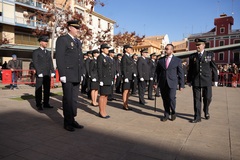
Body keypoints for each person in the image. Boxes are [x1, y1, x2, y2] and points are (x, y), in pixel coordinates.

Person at [56, 20, 84, 131]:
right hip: (67, 74)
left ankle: (72, 119)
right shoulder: (63, 40)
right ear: (70, 28)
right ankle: (67, 122)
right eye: (76, 28)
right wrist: (62, 74)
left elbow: (79, 59)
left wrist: (81, 73)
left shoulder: (78, 42)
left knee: (74, 99)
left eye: (78, 28)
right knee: (67, 99)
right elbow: (60, 57)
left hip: (76, 74)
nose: (78, 30)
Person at [187, 38, 218, 123]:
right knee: (197, 99)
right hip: (196, 80)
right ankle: (197, 117)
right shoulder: (192, 56)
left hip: (207, 80)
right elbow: (190, 69)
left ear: (203, 45)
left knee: (208, 98)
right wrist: (189, 80)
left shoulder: (209, 54)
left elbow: (214, 68)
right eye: (196, 45)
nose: (197, 46)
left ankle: (206, 109)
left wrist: (215, 79)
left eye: (199, 45)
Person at [155, 44, 184, 122]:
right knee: (165, 99)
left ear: (171, 50)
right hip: (163, 82)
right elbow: (157, 72)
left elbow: (180, 73)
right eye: (165, 49)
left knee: (171, 98)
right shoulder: (161, 60)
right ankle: (166, 114)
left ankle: (173, 112)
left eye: (167, 49)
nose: (165, 50)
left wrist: (181, 84)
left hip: (173, 82)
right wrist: (155, 82)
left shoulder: (177, 60)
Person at [32, 36, 55, 110]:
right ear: (40, 42)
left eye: (47, 42)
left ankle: (46, 103)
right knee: (39, 89)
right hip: (40, 73)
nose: (46, 43)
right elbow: (35, 62)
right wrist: (38, 72)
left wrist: (53, 71)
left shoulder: (47, 52)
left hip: (47, 73)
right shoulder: (36, 52)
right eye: (45, 42)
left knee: (47, 89)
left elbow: (50, 62)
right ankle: (38, 104)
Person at [97, 43, 113, 118]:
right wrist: (100, 80)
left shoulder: (108, 57)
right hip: (103, 79)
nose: (107, 50)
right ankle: (101, 111)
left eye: (108, 48)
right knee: (102, 95)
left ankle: (104, 110)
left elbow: (110, 69)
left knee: (106, 96)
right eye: (106, 48)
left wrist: (111, 78)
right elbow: (99, 69)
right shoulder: (100, 57)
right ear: (102, 49)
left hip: (108, 79)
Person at [121, 45, 134, 110]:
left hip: (130, 76)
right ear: (125, 49)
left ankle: (127, 103)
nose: (130, 50)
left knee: (128, 90)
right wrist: (125, 76)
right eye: (129, 48)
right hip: (127, 76)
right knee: (125, 90)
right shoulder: (124, 57)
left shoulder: (129, 57)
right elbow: (123, 67)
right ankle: (124, 105)